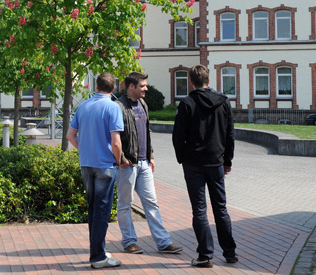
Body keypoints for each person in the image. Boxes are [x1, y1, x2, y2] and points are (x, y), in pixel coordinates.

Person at [172, 64, 237, 268]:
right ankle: (230, 253)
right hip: (216, 162)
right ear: (209, 80)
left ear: (191, 81)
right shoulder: (224, 102)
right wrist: (227, 160)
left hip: (193, 163)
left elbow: (178, 136)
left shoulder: (187, 103)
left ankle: (205, 255)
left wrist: (182, 158)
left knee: (199, 209)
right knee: (221, 208)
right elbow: (230, 135)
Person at [116, 72, 182, 255]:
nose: (146, 88)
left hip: (144, 163)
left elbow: (147, 131)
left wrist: (151, 155)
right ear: (131, 87)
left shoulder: (143, 104)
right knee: (125, 204)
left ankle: (163, 242)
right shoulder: (119, 107)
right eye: (142, 86)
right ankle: (129, 241)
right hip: (127, 165)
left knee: (152, 203)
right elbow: (113, 136)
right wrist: (121, 158)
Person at [66, 72, 124, 269]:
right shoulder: (112, 107)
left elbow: (70, 135)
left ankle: (97, 250)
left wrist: (84, 149)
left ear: (96, 85)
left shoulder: (84, 106)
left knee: (93, 209)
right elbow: (116, 142)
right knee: (102, 211)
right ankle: (98, 257)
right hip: (105, 165)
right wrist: (119, 160)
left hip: (87, 164)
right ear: (113, 88)